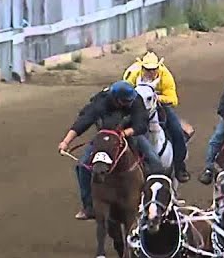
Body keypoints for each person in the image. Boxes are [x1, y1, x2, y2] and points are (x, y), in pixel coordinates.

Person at [59, 81, 161, 219]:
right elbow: (84, 122)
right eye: (125, 101)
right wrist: (66, 142)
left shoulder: (135, 99)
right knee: (82, 167)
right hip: (105, 136)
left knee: (154, 160)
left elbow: (141, 124)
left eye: (130, 101)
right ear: (115, 99)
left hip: (129, 133)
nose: (129, 103)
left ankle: (156, 199)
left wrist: (124, 133)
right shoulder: (101, 102)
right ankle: (89, 206)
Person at [123, 51, 192, 181]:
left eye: (153, 69)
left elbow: (173, 99)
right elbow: (124, 92)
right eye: (147, 69)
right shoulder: (133, 74)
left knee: (177, 130)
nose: (150, 72)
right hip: (135, 107)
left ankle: (179, 166)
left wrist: (155, 97)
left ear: (158, 68)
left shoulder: (165, 76)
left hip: (159, 105)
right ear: (142, 67)